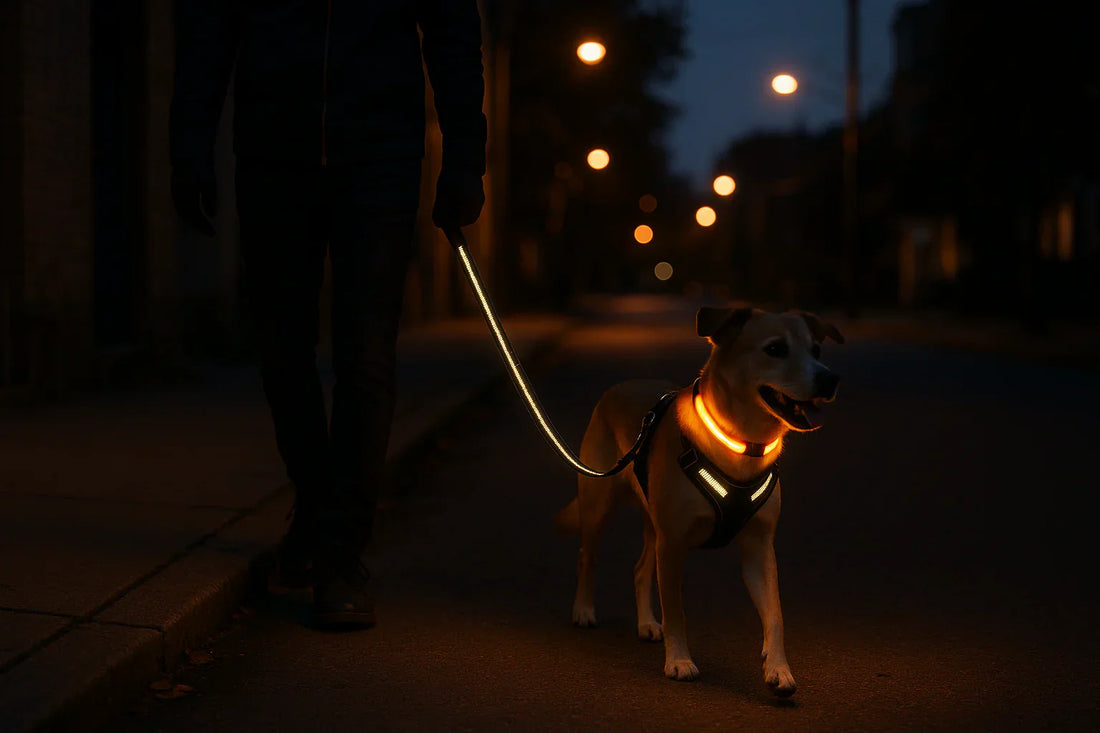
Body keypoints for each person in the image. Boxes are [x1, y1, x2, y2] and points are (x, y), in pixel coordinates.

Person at [169, 0, 487, 628]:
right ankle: (318, 515)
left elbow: (453, 30)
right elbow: (209, 29)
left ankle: (339, 557)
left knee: (364, 352)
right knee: (280, 345)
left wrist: (464, 159)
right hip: (271, 153)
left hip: (380, 157)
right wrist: (189, 142)